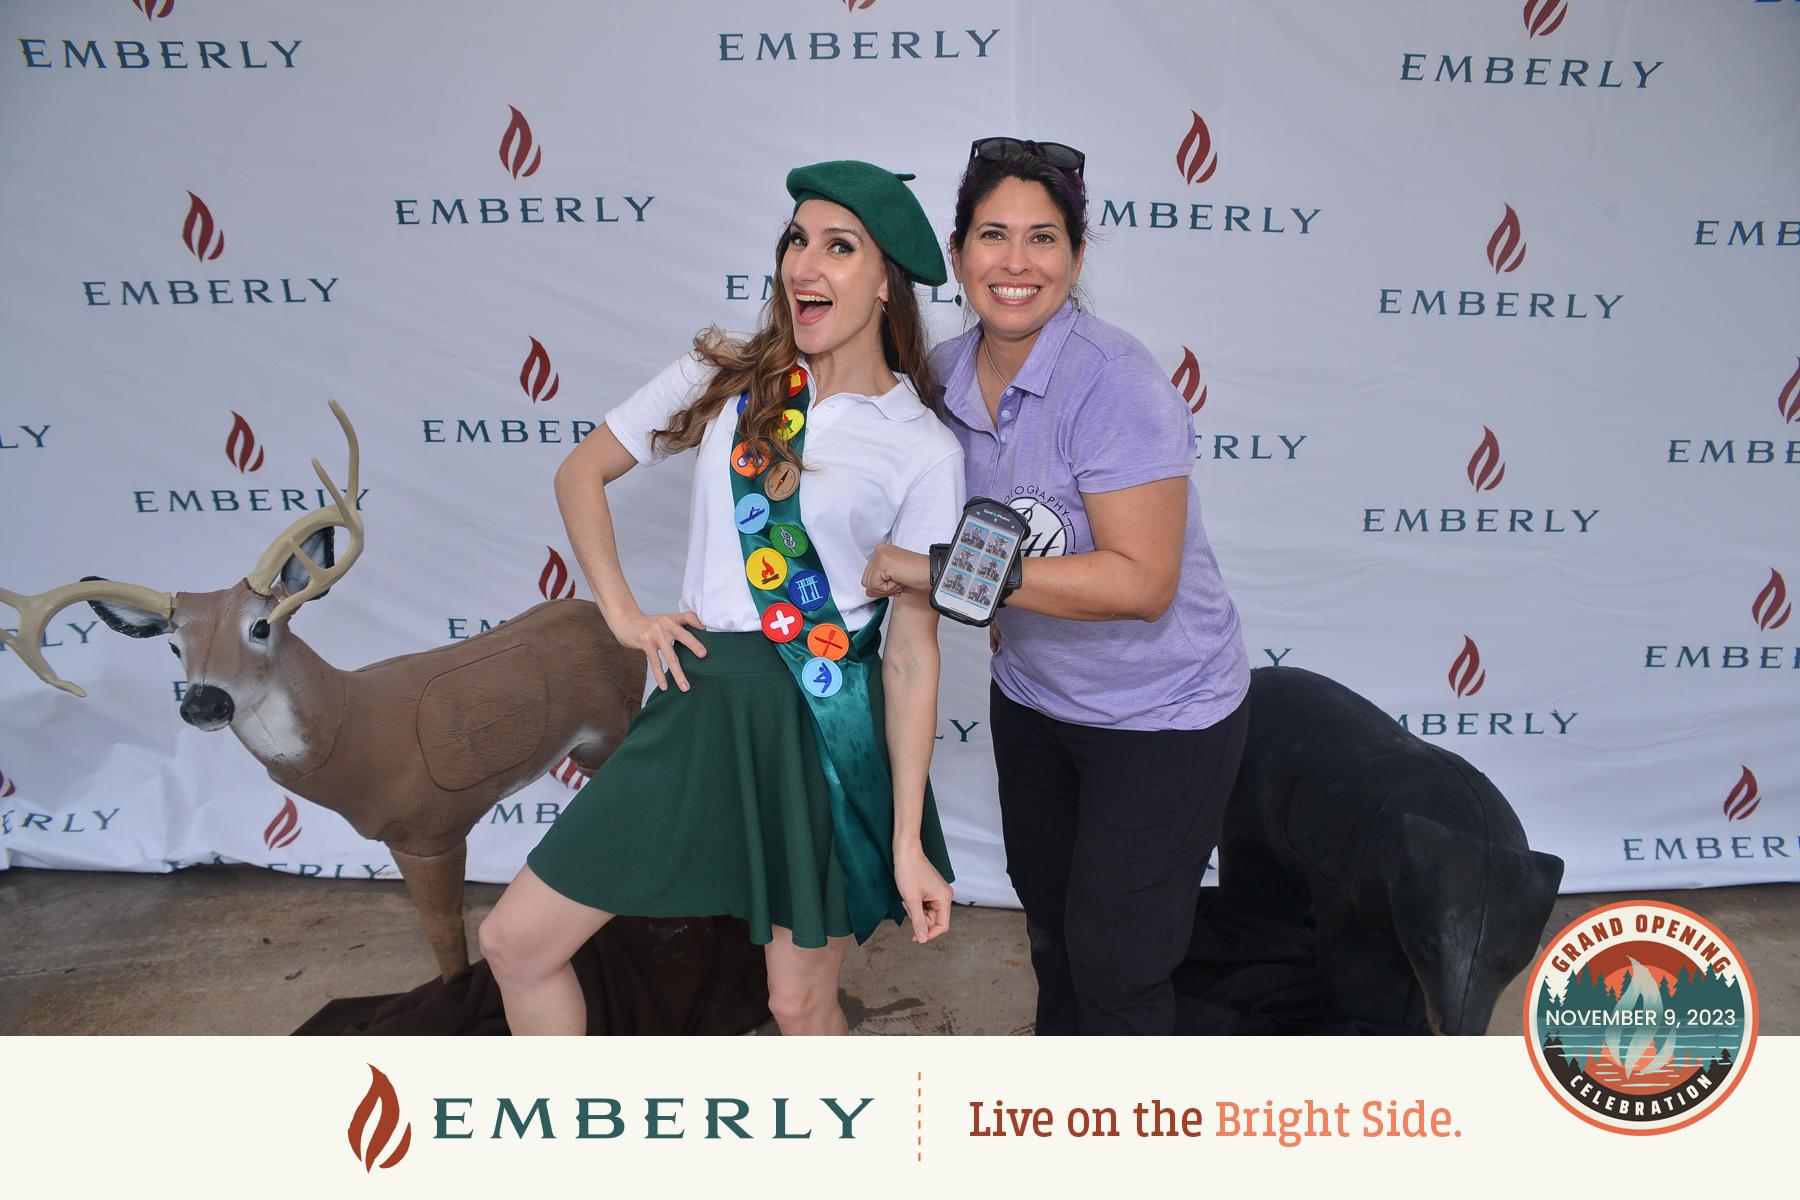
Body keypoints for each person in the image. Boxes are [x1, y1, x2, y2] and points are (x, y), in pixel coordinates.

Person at [480, 160, 963, 1036]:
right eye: (795, 241)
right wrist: (624, 615)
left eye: (839, 247)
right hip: (698, 705)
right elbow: (582, 470)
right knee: (516, 944)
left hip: (817, 725)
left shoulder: (923, 446)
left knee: (797, 1002)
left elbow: (911, 650)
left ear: (888, 282)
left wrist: (905, 843)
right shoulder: (730, 377)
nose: (803, 266)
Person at [863, 139, 1251, 1035]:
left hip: (1163, 716)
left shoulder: (1115, 382)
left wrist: (936, 572)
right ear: (957, 253)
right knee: (1053, 936)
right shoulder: (944, 379)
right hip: (1036, 704)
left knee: (1119, 966)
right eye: (993, 235)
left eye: (1044, 238)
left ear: (1076, 258)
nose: (1016, 262)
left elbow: (1142, 582)